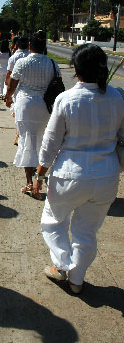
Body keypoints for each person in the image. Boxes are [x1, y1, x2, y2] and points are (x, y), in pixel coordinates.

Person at [32, 44, 124, 294]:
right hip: (106, 176)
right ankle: (77, 279)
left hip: (69, 175)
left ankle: (61, 266)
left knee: (53, 220)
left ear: (76, 69)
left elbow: (51, 143)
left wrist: (39, 174)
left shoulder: (66, 98)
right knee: (86, 230)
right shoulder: (117, 97)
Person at [5, 31, 60, 198]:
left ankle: (30, 182)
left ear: (30, 46)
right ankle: (39, 179)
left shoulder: (22, 62)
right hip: (45, 106)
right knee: (42, 140)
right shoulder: (52, 63)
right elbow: (56, 82)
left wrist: (8, 98)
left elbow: (12, 85)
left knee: (26, 140)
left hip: (25, 105)